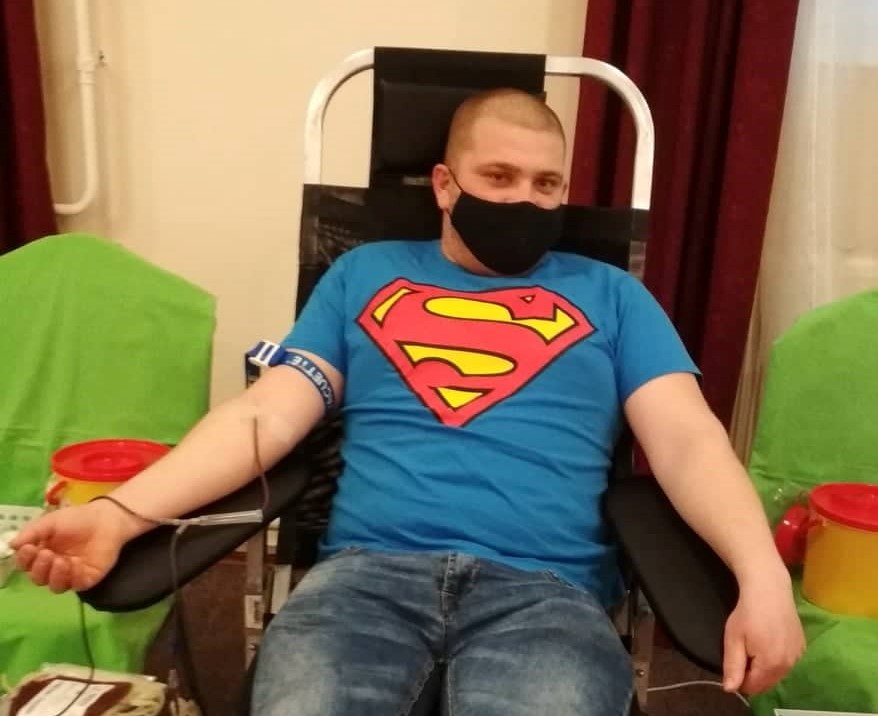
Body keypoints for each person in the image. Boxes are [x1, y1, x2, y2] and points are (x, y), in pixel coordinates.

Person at [12, 88, 804, 715]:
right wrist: (119, 515)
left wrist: (762, 577)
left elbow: (688, 442)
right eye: (499, 177)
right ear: (445, 185)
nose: (525, 200)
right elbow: (266, 415)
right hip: (364, 582)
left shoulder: (614, 297)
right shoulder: (364, 275)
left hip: (548, 595)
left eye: (547, 184)